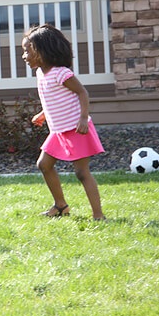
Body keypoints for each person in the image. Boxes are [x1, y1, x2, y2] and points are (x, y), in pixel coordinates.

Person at [22, 24, 106, 220]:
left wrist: (83, 118)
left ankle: (98, 215)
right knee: (44, 164)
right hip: (58, 131)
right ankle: (60, 206)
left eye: (28, 51)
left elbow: (82, 93)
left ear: (43, 51)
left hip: (76, 128)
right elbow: (55, 98)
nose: (25, 56)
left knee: (82, 173)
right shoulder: (41, 74)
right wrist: (43, 113)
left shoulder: (61, 73)